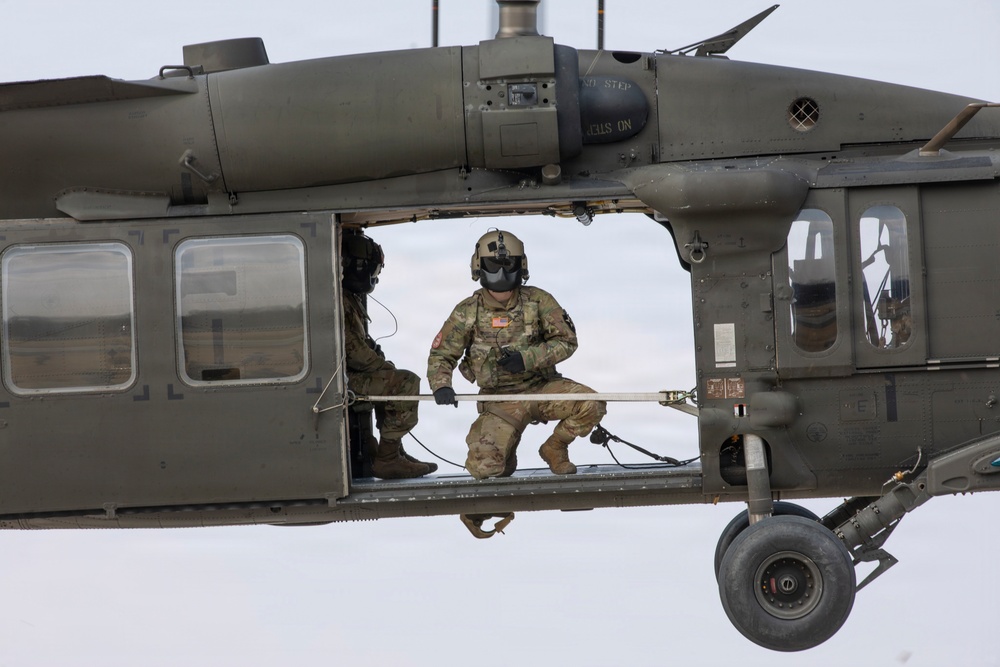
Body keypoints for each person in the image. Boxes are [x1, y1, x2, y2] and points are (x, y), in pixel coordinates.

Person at [427, 229, 606, 479]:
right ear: (479, 267)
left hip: (541, 388)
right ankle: (505, 453)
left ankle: (555, 447)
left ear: (521, 266)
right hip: (499, 399)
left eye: (508, 264)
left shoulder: (539, 301)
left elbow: (567, 342)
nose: (501, 272)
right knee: (486, 469)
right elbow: (442, 354)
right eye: (493, 265)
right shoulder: (467, 311)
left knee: (591, 404)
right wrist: (441, 385)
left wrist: (527, 359)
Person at [341, 230, 436, 479]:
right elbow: (356, 354)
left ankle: (393, 453)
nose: (374, 278)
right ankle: (388, 458)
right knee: (405, 382)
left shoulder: (346, 298)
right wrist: (383, 367)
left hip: (345, 377)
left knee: (391, 381)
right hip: (341, 382)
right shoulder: (338, 301)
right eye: (372, 271)